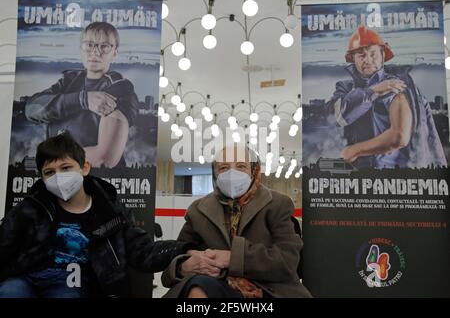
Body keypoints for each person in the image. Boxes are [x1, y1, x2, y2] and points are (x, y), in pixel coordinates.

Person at [0, 132, 194, 298]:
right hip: (27, 278)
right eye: (49, 172)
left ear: (84, 168)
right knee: (9, 291)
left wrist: (183, 250)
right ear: (42, 177)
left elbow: (142, 251)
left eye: (66, 168)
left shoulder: (110, 212)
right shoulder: (31, 207)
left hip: (73, 286)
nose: (58, 177)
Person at [161, 145, 311, 298]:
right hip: (215, 285)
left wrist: (232, 258)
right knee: (197, 287)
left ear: (254, 171)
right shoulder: (198, 211)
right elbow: (174, 260)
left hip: (267, 288)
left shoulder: (278, 204)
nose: (232, 174)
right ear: (215, 173)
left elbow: (288, 261)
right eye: (224, 167)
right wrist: (182, 267)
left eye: (241, 166)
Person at [326, 25, 446, 169]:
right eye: (361, 55)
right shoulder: (344, 88)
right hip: (362, 176)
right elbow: (336, 117)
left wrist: (353, 150)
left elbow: (400, 137)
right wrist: (373, 91)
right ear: (353, 59)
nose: (368, 60)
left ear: (383, 55)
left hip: (401, 176)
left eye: (373, 54)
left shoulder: (400, 84)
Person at [24, 22, 138, 168]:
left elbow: (104, 158)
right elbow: (32, 109)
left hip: (97, 184)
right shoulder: (68, 82)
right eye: (89, 45)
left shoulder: (121, 89)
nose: (95, 52)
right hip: (59, 182)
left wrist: (50, 161)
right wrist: (83, 100)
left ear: (115, 52)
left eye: (104, 46)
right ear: (80, 49)